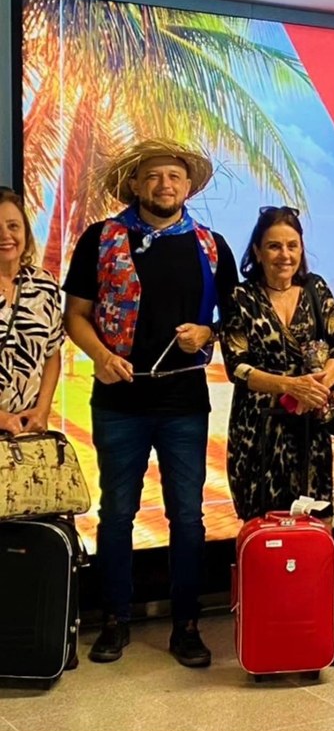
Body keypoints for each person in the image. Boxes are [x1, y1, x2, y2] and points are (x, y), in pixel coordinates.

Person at [63, 139, 238, 667]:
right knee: (117, 515)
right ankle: (115, 620)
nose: (165, 185)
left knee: (188, 518)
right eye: (154, 177)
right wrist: (101, 355)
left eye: (175, 177)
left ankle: (187, 625)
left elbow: (234, 320)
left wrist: (205, 333)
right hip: (119, 403)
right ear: (136, 185)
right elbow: (77, 316)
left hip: (185, 402)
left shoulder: (211, 245)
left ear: (188, 187)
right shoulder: (101, 239)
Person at [220, 205, 334, 670]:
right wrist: (289, 385)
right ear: (257, 250)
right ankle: (266, 639)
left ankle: (329, 636)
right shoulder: (242, 297)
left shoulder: (316, 289)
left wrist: (320, 385)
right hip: (259, 432)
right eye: (274, 245)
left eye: (292, 245)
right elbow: (238, 366)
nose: (284, 254)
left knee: (318, 533)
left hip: (311, 431)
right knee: (265, 538)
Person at [0, 187, 64, 434]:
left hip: (27, 434)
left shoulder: (44, 285)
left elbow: (52, 352)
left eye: (13, 226)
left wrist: (42, 410)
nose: (5, 235)